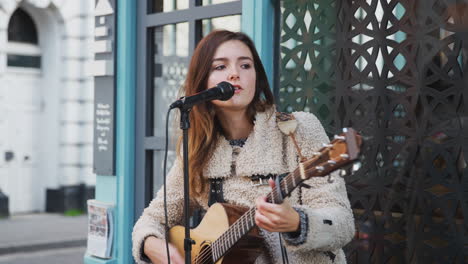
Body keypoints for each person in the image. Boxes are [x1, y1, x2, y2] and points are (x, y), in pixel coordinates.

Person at [132, 30, 355, 264]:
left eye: (245, 65)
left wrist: (298, 223)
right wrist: (152, 244)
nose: (234, 74)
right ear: (202, 82)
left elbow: (343, 223)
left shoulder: (299, 130)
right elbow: (152, 219)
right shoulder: (197, 151)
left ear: (256, 77)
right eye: (220, 67)